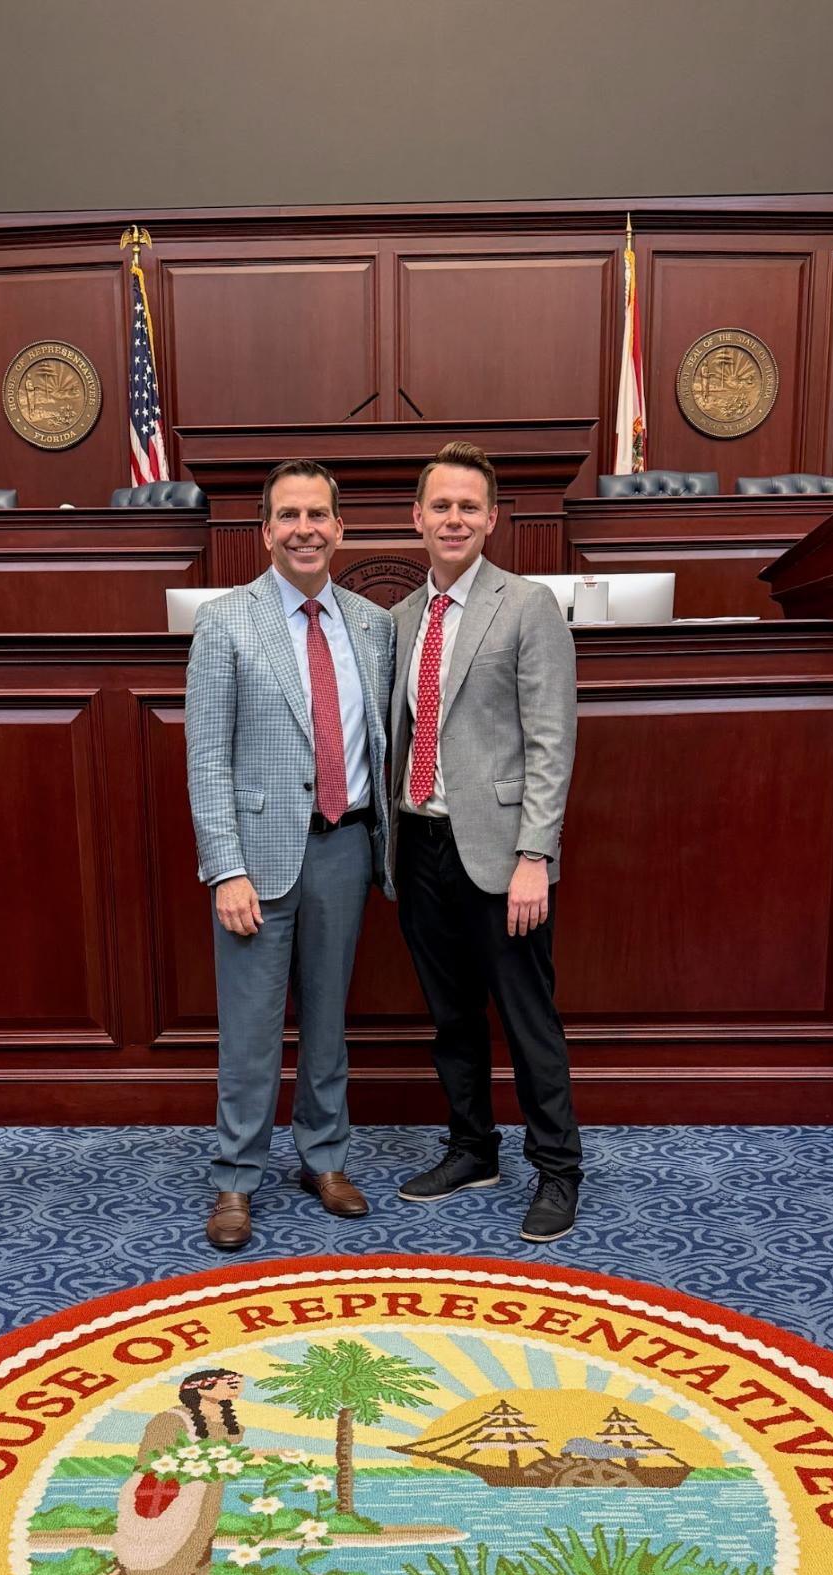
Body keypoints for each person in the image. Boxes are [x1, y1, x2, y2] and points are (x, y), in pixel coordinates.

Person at [185, 460, 394, 1250]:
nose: (304, 529)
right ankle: (236, 1177)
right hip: (258, 858)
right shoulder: (226, 622)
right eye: (289, 515)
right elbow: (208, 758)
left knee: (329, 1021)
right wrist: (225, 868)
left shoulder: (372, 625)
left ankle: (325, 1159)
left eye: (317, 515)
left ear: (340, 527)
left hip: (346, 845)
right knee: (250, 1030)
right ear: (265, 530)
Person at [389, 440, 583, 1242]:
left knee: (528, 1018)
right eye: (441, 505)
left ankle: (559, 1169)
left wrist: (536, 855)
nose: (454, 518)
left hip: (504, 855)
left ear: (493, 518)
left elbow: (552, 741)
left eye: (469, 506)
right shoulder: (402, 618)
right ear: (417, 518)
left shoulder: (528, 605)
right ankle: (473, 1148)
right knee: (451, 1017)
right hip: (420, 845)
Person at [104, 1368, 245, 1575]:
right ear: (202, 1387)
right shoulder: (171, 1420)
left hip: (203, 1506)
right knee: (147, 1562)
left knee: (195, 1560)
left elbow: (224, 1456)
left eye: (237, 1383)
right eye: (228, 1382)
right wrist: (199, 1462)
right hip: (168, 1505)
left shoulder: (223, 1422)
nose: (235, 1386)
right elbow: (151, 1462)